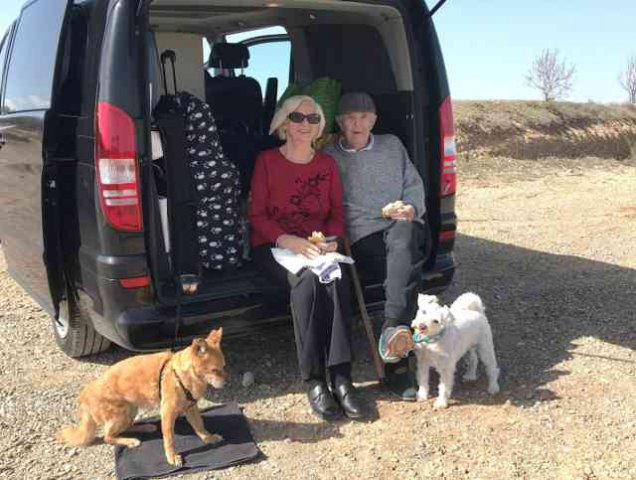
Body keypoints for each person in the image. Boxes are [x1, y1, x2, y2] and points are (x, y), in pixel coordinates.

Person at [249, 95, 366, 421]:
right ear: (284, 123)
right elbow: (256, 215)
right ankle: (314, 380)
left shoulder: (327, 164)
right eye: (297, 117)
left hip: (316, 247)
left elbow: (336, 214)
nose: (305, 124)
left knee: (336, 280)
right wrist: (289, 241)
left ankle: (342, 378)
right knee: (308, 283)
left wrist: (330, 240)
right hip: (275, 246)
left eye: (313, 119)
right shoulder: (267, 161)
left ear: (319, 128)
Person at [323, 92, 430, 401]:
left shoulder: (392, 145)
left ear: (374, 120)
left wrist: (410, 207)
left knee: (404, 237)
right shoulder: (329, 156)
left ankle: (392, 330)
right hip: (363, 233)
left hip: (402, 224)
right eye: (350, 118)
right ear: (340, 123)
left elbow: (413, 184)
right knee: (405, 268)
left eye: (364, 117)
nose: (358, 124)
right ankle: (396, 357)